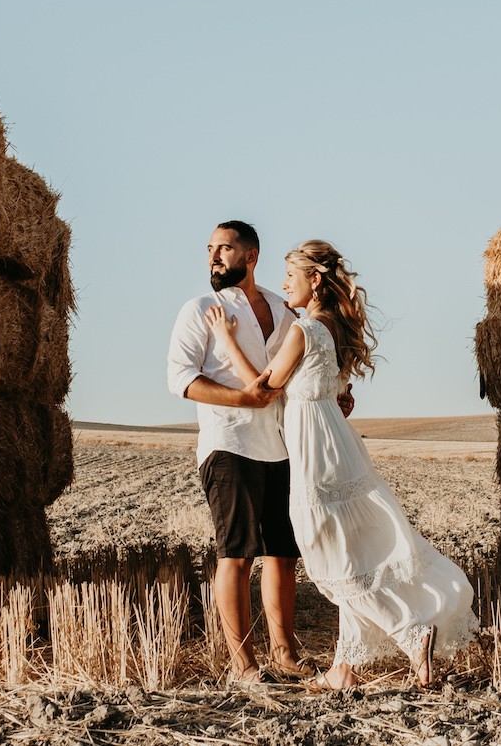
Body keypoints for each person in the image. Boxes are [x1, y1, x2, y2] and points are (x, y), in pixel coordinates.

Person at [206, 239, 477, 690]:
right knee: (347, 552)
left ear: (315, 281)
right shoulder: (334, 326)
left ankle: (412, 633)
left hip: (315, 445)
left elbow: (264, 387)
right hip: (337, 439)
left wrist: (225, 340)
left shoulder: (305, 330)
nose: (284, 284)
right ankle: (344, 669)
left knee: (330, 558)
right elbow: (335, 389)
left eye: (291, 277)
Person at [166, 221, 320, 684]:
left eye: (224, 249)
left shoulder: (284, 308)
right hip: (228, 443)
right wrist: (242, 399)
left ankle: (284, 653)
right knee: (235, 555)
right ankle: (243, 664)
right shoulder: (199, 310)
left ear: (251, 256)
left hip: (281, 445)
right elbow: (180, 379)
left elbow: (298, 369)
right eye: (209, 248)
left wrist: (334, 397)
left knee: (283, 555)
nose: (213, 257)